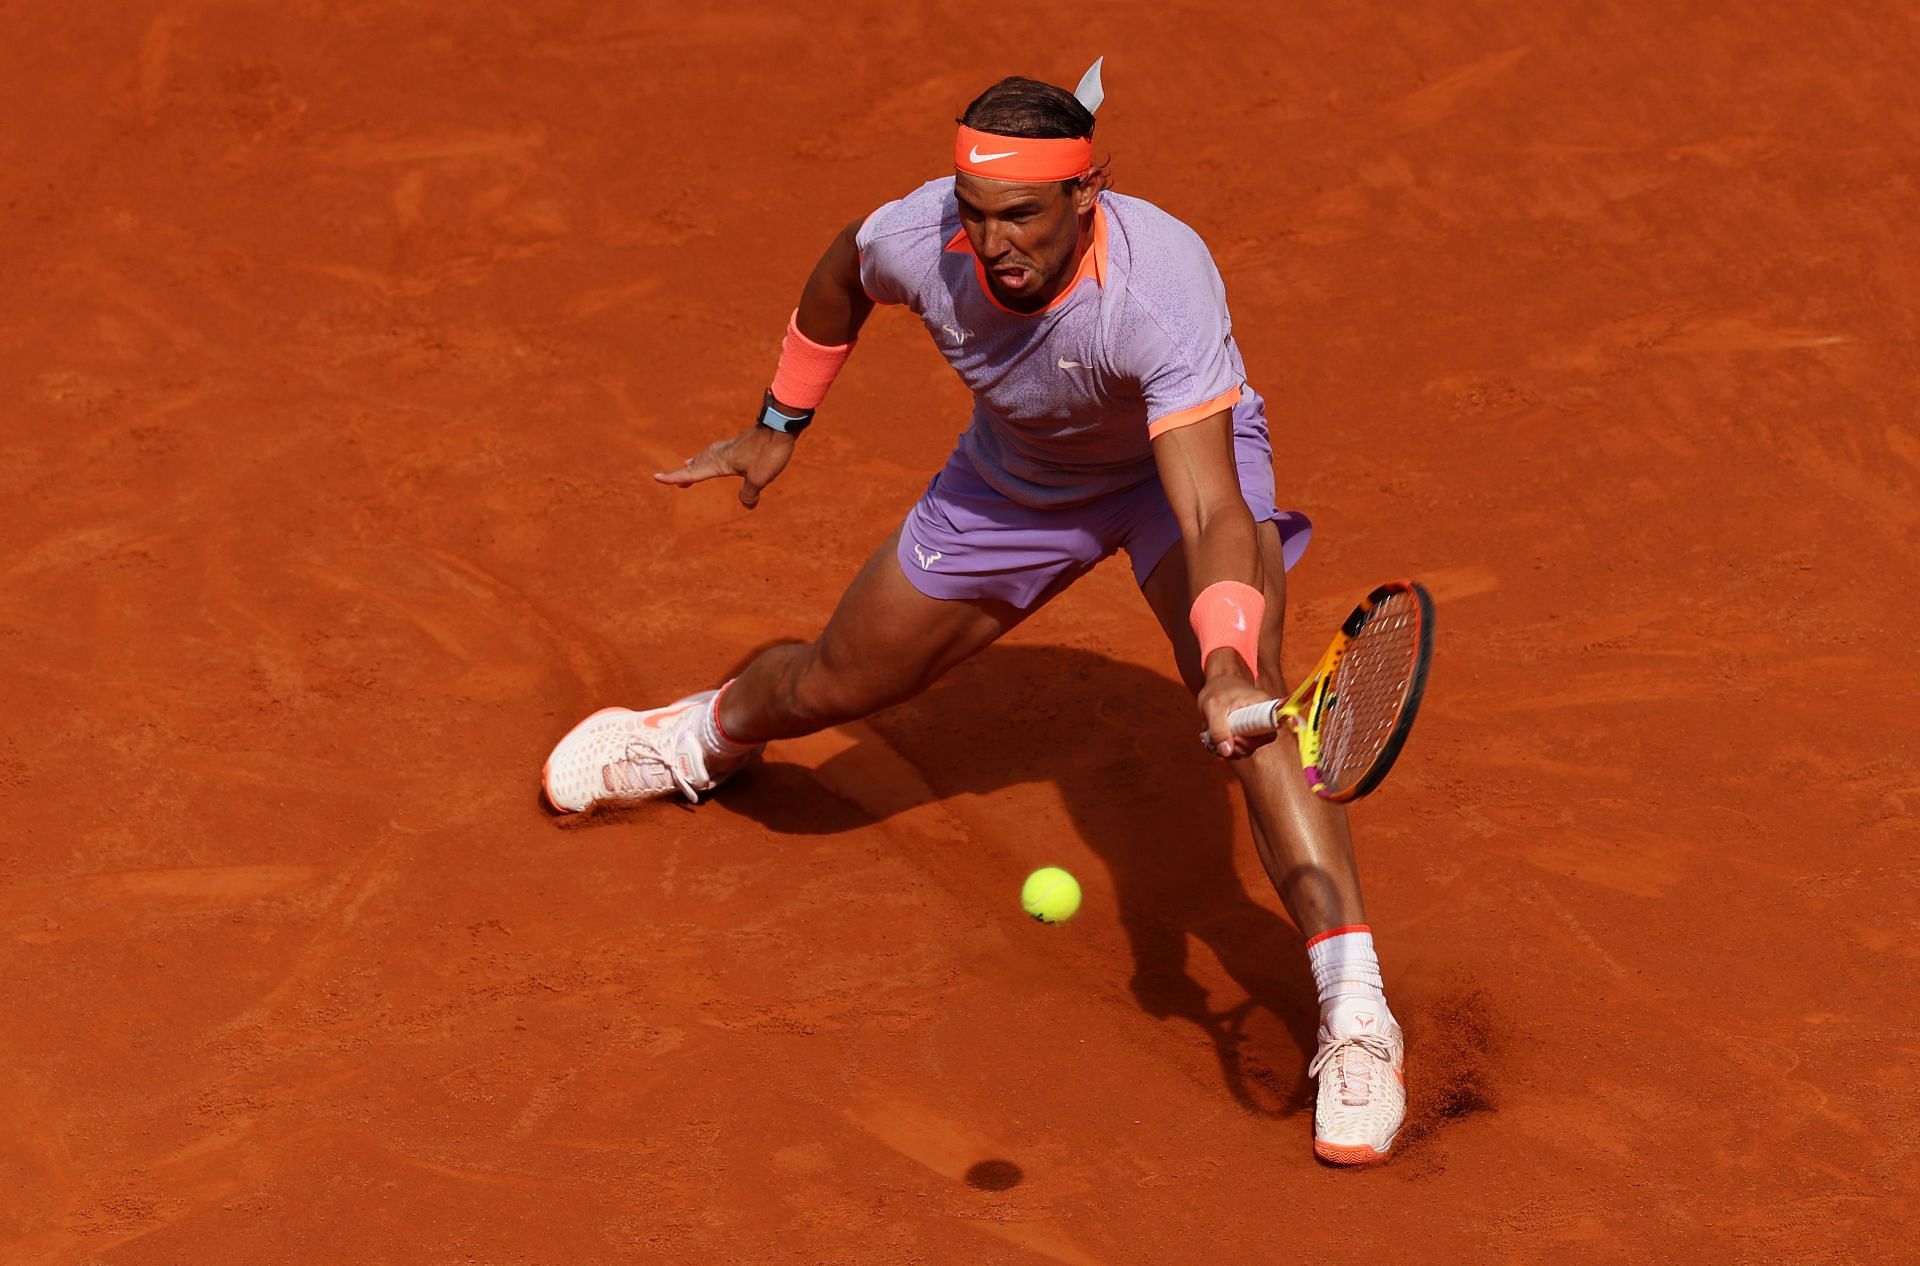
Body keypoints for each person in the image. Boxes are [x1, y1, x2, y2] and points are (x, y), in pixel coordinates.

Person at [541, 66, 1407, 1165]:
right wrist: (777, 422)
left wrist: (1228, 656)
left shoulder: (1159, 282)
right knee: (835, 683)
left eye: (1022, 214)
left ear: (1089, 192)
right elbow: (838, 274)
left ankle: (1359, 1014)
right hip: (1017, 483)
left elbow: (1209, 509)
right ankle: (702, 736)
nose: (994, 242)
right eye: (976, 211)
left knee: (1258, 718)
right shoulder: (919, 237)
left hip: (1169, 469)